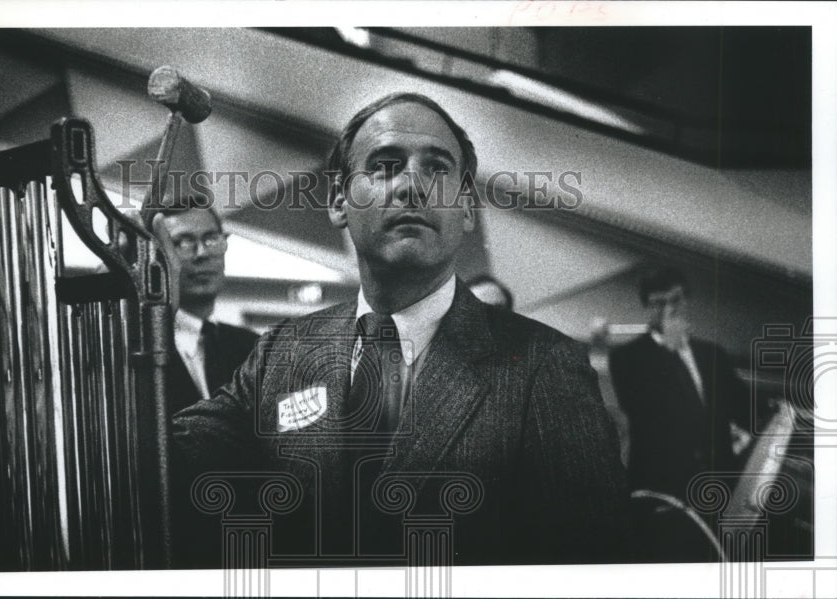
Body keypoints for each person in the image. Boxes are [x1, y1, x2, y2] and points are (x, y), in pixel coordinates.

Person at [167, 93, 628, 566]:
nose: (412, 184)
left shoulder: (545, 365)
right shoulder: (285, 351)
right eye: (385, 165)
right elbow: (162, 459)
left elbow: (591, 562)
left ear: (467, 209)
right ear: (339, 204)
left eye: (437, 169)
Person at [608, 266, 752, 501]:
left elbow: (745, 407)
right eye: (659, 303)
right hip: (663, 489)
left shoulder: (713, 355)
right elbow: (649, 414)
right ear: (647, 306)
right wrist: (669, 344)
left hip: (720, 485)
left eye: (675, 299)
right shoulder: (626, 358)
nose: (669, 309)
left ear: (686, 300)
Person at [143, 199, 260, 413]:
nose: (201, 254)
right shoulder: (141, 344)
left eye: (211, 239)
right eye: (182, 243)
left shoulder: (251, 347)